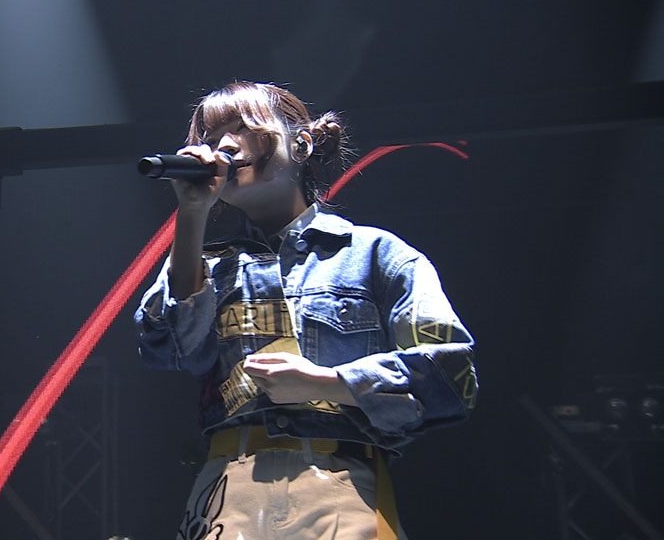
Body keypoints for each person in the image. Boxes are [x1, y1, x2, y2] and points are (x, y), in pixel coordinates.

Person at [134, 82, 477, 540]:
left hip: (340, 483)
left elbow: (451, 375)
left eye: (243, 128)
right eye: (212, 139)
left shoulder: (376, 254)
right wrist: (192, 212)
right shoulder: (207, 265)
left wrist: (329, 383)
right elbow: (167, 349)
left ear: (302, 143)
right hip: (226, 488)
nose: (225, 147)